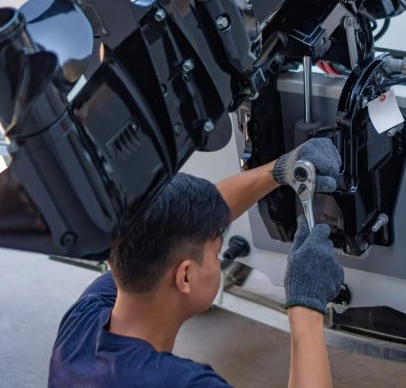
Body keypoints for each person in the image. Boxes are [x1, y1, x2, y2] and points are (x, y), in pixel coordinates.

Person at [48, 138, 344, 388]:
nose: (218, 259)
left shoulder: (82, 322)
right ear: (185, 277)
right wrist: (305, 308)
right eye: (216, 254)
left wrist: (279, 170)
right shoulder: (184, 382)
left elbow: (172, 226)